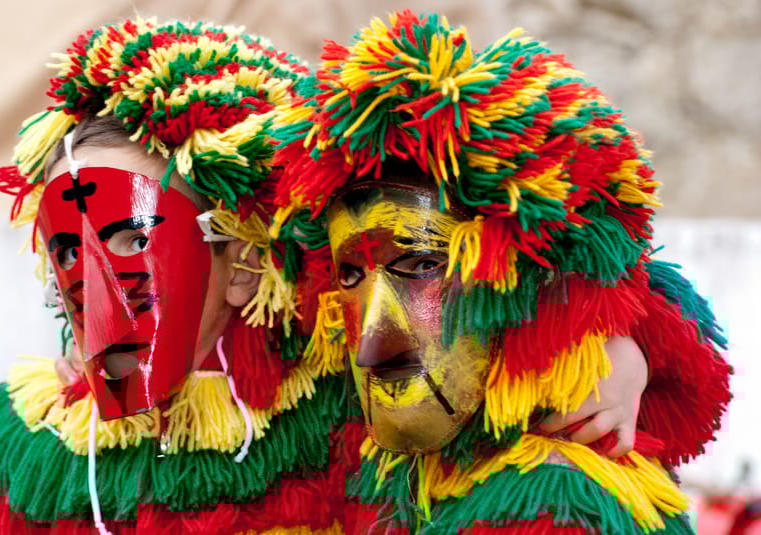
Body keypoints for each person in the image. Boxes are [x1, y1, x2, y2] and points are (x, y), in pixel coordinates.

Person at [271, 11, 732, 533]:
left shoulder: (551, 501)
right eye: (350, 276)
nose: (370, 347)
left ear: (537, 279)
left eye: (421, 263)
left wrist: (627, 338)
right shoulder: (383, 457)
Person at [0, 18, 348, 534]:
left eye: (137, 242)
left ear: (246, 265)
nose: (96, 300)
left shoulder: (346, 438)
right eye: (70, 253)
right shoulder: (24, 458)